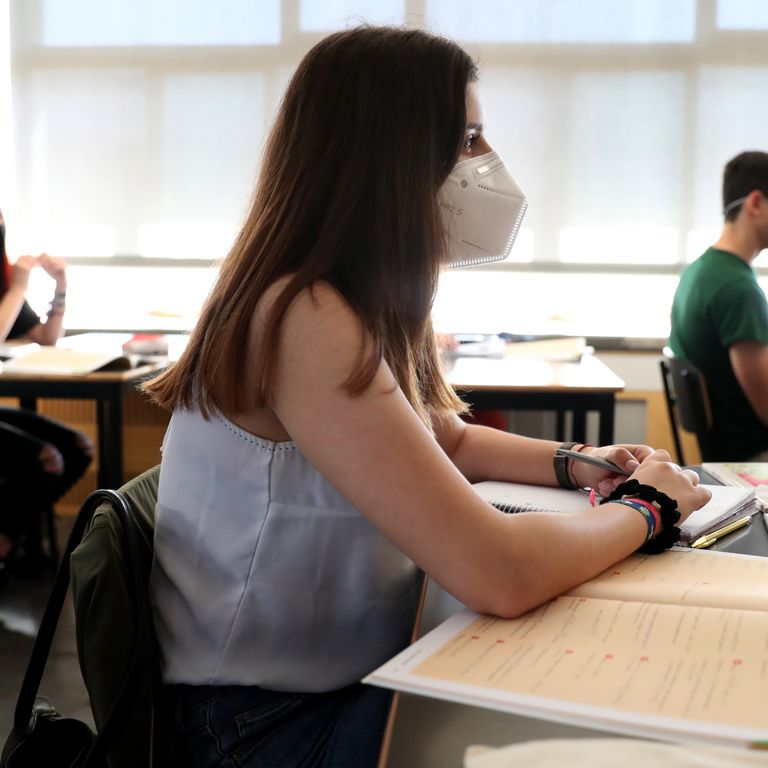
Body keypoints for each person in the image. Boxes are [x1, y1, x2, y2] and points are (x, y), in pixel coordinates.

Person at [143, 26, 709, 768]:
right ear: (393, 155)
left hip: (329, 687)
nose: (487, 161)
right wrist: (648, 507)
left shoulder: (349, 298)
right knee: (613, 714)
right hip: (262, 728)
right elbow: (497, 573)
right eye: (469, 136)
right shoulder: (301, 315)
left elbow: (447, 439)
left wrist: (579, 462)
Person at [0, 207, 93, 576]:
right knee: (45, 459)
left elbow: (46, 337)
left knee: (77, 448)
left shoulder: (5, 288)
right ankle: (7, 542)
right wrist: (20, 287)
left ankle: (7, 538)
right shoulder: (12, 289)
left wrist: (60, 285)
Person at [669, 151, 768, 461]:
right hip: (751, 456)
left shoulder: (699, 271)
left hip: (723, 449)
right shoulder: (736, 288)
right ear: (755, 203)